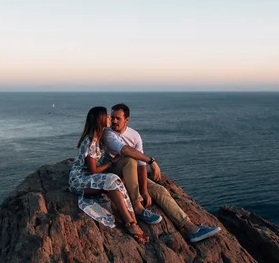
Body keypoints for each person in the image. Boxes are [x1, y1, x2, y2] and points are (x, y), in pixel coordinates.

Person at [103, 103, 221, 243]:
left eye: (118, 118)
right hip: (114, 174)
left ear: (126, 120)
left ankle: (191, 228)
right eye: (113, 118)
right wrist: (151, 161)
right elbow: (124, 150)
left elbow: (141, 166)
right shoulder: (108, 133)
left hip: (131, 175)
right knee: (130, 158)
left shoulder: (135, 135)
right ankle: (137, 205)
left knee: (160, 190)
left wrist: (145, 190)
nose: (114, 121)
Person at [68, 106, 149, 243]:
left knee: (114, 183)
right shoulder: (91, 141)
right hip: (80, 180)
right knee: (112, 179)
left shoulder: (100, 137)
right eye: (107, 116)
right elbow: (93, 170)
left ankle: (132, 221)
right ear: (101, 120)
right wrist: (111, 163)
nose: (110, 118)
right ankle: (131, 223)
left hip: (89, 178)